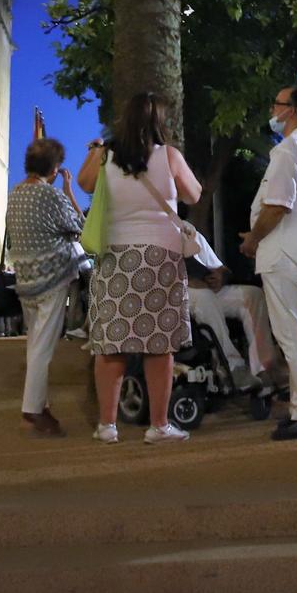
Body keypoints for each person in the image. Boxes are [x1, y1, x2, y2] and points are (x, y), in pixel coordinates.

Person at [80, 90, 202, 446]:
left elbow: (85, 184)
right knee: (159, 345)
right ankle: (159, 425)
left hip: (116, 257)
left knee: (112, 345)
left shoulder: (104, 156)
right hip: (161, 257)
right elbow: (193, 194)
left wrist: (95, 150)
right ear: (158, 122)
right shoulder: (170, 156)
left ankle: (107, 425)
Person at [242, 84, 297, 440]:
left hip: (284, 255)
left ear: (289, 109)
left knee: (292, 336)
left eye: (275, 104)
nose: (271, 110)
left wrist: (253, 238)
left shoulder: (289, 149)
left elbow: (277, 205)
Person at [9, 136, 84, 435]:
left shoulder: (16, 193)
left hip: (26, 279)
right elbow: (79, 226)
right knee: (43, 347)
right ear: (54, 169)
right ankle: (33, 409)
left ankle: (40, 405)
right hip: (52, 278)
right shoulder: (51, 196)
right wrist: (68, 191)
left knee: (34, 344)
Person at [187, 259, 277, 386]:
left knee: (253, 295)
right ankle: (232, 368)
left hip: (202, 285)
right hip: (171, 290)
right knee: (204, 297)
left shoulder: (196, 238)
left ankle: (263, 369)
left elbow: (219, 265)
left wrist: (221, 274)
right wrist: (187, 280)